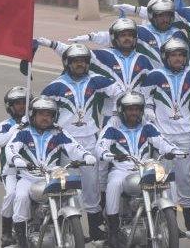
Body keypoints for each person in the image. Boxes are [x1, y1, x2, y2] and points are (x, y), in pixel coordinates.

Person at [39, 43, 124, 242]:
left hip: (90, 140)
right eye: (76, 61)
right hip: (64, 143)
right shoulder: (55, 86)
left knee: (91, 185)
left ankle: (95, 229)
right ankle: (70, 229)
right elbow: (40, 109)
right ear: (67, 63)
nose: (80, 64)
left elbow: (120, 93)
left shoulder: (96, 81)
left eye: (84, 61)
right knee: (67, 185)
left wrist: (112, 115)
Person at [138, 38, 190, 232]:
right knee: (162, 178)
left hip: (185, 133)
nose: (178, 58)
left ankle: (188, 219)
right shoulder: (155, 75)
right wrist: (149, 109)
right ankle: (165, 220)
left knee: (185, 177)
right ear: (165, 57)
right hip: (162, 135)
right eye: (173, 55)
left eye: (181, 55)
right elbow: (144, 96)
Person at [6, 96, 96, 246]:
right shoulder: (23, 132)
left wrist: (86, 156)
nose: (45, 117)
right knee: (21, 197)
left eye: (49, 114)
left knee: (75, 192)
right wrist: (18, 160)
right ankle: (22, 242)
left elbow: (75, 147)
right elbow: (11, 149)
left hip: (53, 174)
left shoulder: (59, 133)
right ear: (33, 114)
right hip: (30, 177)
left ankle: (71, 227)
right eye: (42, 114)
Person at [97, 92, 182, 246]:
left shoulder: (147, 126)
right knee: (113, 185)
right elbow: (100, 147)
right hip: (121, 170)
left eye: (137, 109)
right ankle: (114, 230)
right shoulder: (112, 127)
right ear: (122, 110)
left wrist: (173, 150)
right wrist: (110, 155)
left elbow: (162, 142)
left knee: (168, 178)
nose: (134, 112)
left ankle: (169, 220)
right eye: (130, 109)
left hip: (144, 167)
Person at [38, 18, 155, 93]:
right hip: (111, 113)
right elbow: (74, 53)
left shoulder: (143, 60)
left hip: (137, 112)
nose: (127, 38)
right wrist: (51, 44)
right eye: (123, 35)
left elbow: (152, 86)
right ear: (115, 38)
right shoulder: (103, 56)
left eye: (130, 35)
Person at [79, 0, 187, 64]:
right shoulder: (141, 31)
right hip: (146, 81)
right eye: (160, 16)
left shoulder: (179, 34)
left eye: (167, 16)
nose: (165, 19)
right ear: (152, 16)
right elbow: (112, 37)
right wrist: (91, 37)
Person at [0, 86, 27, 247]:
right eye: (18, 103)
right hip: (11, 172)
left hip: (33, 170)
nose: (22, 106)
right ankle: (7, 232)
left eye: (25, 102)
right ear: (10, 106)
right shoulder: (4, 125)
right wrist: (18, 127)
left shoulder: (34, 122)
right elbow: (1, 140)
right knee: (12, 195)